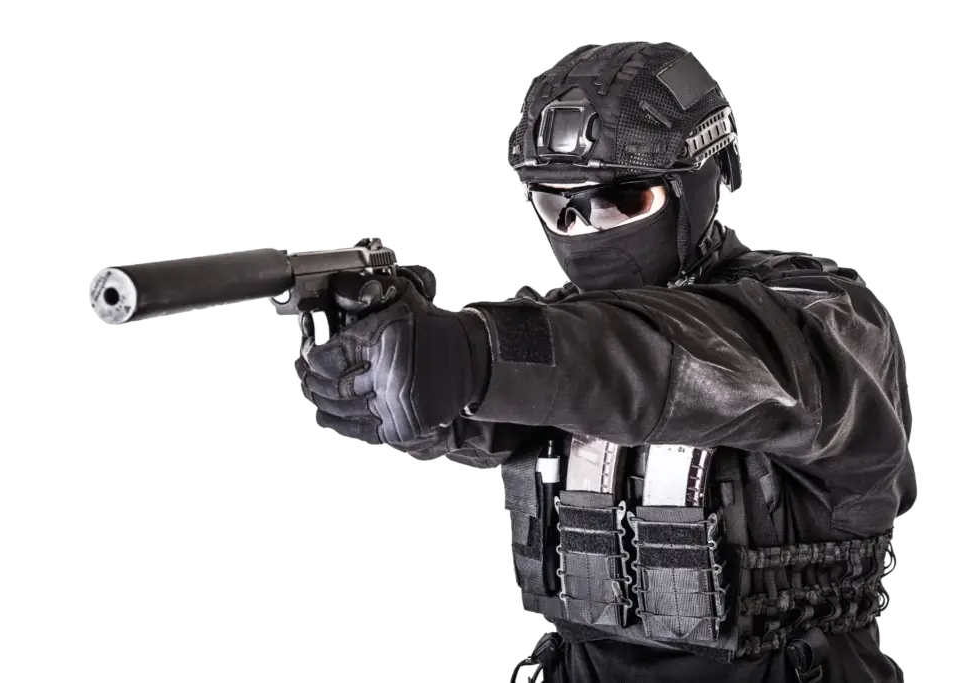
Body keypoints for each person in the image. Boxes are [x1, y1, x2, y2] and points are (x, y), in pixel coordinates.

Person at [290, 40, 915, 682]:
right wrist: (390, 374)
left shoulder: (824, 318)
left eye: (620, 202)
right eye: (556, 206)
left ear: (703, 181)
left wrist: (475, 352)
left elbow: (671, 360)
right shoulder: (563, 327)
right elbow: (508, 405)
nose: (584, 230)